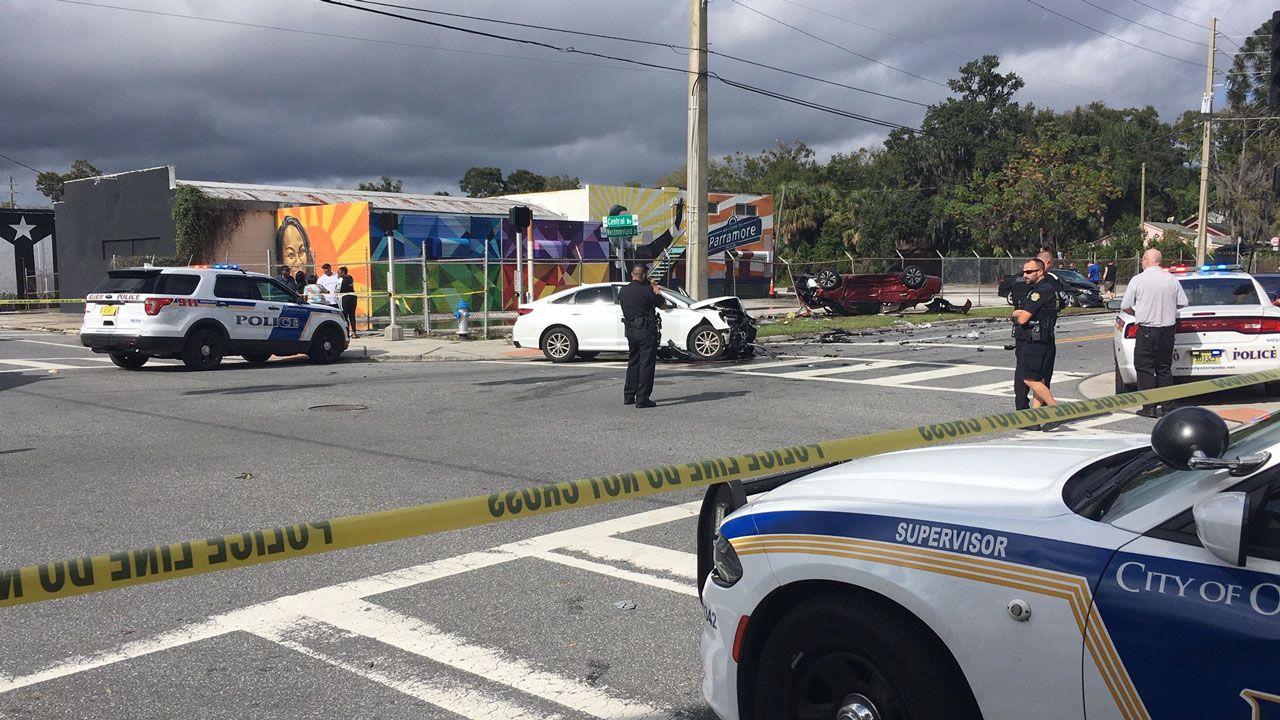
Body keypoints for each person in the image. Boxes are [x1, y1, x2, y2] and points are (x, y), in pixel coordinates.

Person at [1121, 248, 1189, 418]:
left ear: (1145, 261)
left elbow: (1125, 305)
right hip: (1166, 330)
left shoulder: (1138, 280)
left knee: (1145, 369)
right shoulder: (1171, 280)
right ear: (1159, 261)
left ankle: (1149, 406)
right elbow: (1183, 303)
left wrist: (1138, 313)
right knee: (1164, 369)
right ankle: (1167, 407)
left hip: (1146, 329)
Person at [1012, 258, 1059, 428]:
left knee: (1030, 380)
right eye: (1024, 271)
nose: (1025, 274)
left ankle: (1055, 411)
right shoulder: (1051, 288)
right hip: (1046, 340)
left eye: (1029, 271)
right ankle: (1035, 418)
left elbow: (1024, 319)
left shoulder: (1038, 292)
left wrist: (1016, 313)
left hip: (1035, 343)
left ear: (1040, 271)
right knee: (1040, 380)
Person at [618, 264, 671, 408]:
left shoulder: (623, 291)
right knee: (646, 363)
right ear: (644, 275)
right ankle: (642, 398)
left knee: (633, 361)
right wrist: (655, 289)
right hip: (646, 330)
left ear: (632, 274)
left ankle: (629, 395)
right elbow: (663, 305)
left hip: (630, 330)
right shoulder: (647, 291)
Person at [338, 265, 358, 338]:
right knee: (352, 315)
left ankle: (346, 332)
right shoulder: (350, 278)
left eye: (339, 272)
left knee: (345, 315)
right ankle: (354, 332)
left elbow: (337, 289)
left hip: (344, 298)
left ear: (343, 272)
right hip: (353, 297)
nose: (338, 273)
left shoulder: (340, 279)